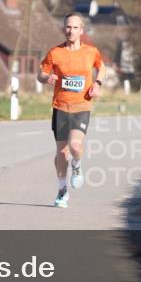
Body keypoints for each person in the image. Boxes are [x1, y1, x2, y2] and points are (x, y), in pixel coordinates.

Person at [37, 13, 106, 208]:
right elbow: (41, 73)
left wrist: (98, 83)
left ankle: (77, 166)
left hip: (82, 106)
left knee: (75, 147)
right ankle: (62, 191)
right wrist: (46, 78)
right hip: (60, 107)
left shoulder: (91, 52)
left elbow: (102, 68)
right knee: (61, 152)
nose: (71, 31)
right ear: (64, 29)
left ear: (81, 30)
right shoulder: (55, 53)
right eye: (68, 27)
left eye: (75, 28)